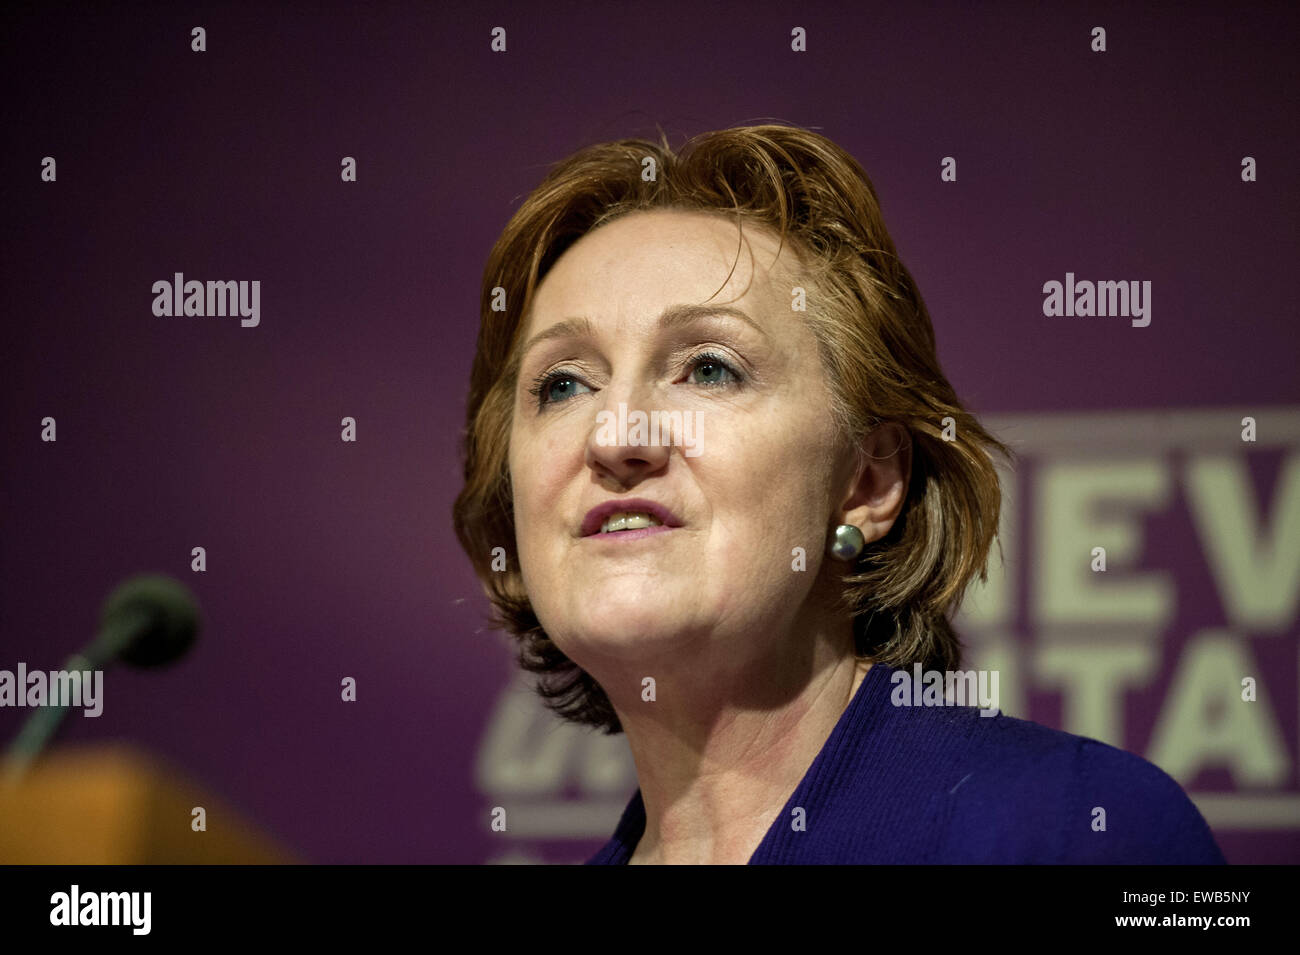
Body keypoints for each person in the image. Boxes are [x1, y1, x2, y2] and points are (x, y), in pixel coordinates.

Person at [453, 123, 1225, 865]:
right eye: (562, 383)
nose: (615, 436)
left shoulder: (1076, 829)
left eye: (710, 367)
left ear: (867, 481)